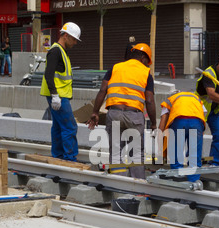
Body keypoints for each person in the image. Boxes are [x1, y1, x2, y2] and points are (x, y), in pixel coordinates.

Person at [87, 43, 157, 179]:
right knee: (135, 152)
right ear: (143, 57)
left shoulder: (115, 68)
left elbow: (102, 90)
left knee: (116, 151)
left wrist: (95, 112)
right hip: (134, 116)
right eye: (147, 62)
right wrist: (154, 124)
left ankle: (119, 185)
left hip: (114, 114)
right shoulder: (146, 73)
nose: (147, 65)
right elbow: (149, 100)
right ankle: (138, 188)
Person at [40, 22, 81, 162]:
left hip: (59, 95)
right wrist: (55, 95)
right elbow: (48, 74)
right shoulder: (56, 51)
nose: (75, 42)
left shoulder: (61, 51)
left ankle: (57, 156)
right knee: (70, 126)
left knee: (58, 126)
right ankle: (70, 158)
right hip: (58, 96)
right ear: (66, 36)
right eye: (74, 39)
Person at [158, 91, 206, 182]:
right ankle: (194, 181)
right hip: (197, 122)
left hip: (179, 121)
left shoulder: (170, 101)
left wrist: (159, 148)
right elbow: (202, 115)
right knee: (195, 157)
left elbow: (161, 127)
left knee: (176, 153)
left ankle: (177, 179)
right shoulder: (196, 99)